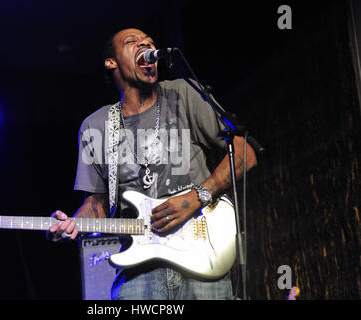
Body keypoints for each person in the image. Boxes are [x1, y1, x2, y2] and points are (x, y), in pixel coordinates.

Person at [47, 28, 257, 300]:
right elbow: (96, 204)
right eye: (132, 42)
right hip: (138, 274)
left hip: (203, 262)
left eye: (149, 42)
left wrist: (196, 197)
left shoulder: (183, 93)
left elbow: (244, 153)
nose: (146, 43)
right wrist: (73, 224)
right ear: (111, 62)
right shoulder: (95, 126)